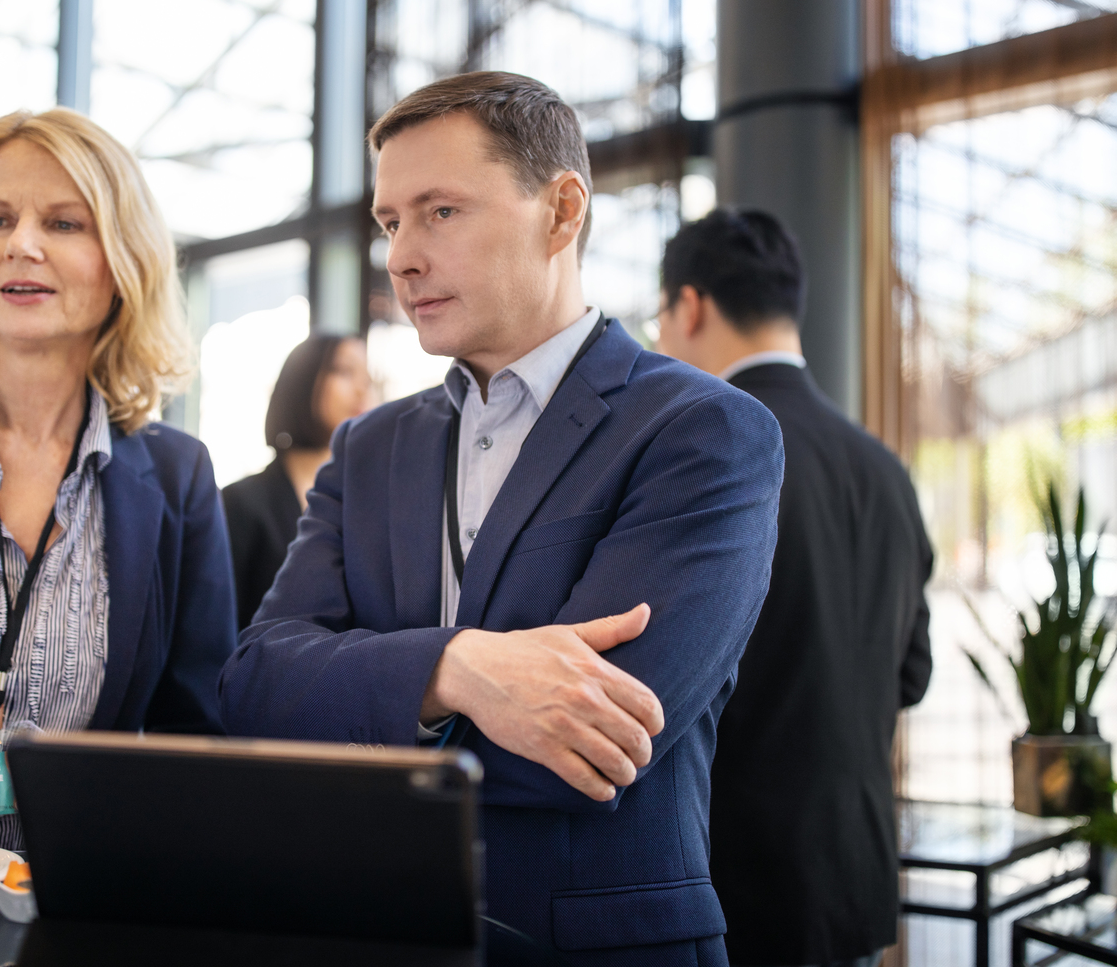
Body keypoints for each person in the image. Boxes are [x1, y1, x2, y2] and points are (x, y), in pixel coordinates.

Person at [219, 71, 785, 964]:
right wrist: (461, 669)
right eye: (390, 221)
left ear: (562, 211)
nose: (401, 256)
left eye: (440, 211)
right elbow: (253, 686)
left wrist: (362, 699)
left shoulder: (701, 430)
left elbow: (595, 744)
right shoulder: (368, 449)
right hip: (371, 935)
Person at [0, 108, 236, 851]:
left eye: (64, 224)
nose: (21, 245)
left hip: (57, 909)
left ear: (123, 262)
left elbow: (192, 731)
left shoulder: (177, 478)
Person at [656, 209, 933, 967]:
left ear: (690, 306)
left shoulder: (709, 453)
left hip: (740, 883)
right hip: (857, 879)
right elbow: (913, 672)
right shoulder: (885, 469)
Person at [222, 334, 373, 630]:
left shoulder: (374, 501)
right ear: (302, 382)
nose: (361, 390)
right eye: (344, 371)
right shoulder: (241, 502)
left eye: (367, 379)